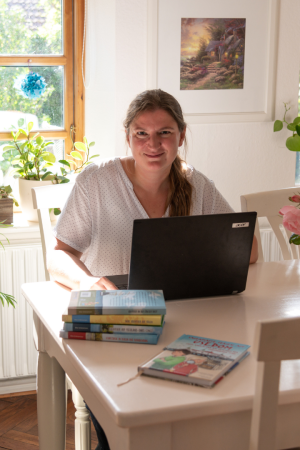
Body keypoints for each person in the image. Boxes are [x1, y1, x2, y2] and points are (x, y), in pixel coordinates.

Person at [47, 89, 258, 450]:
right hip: (117, 332)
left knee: (207, 421)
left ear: (182, 136)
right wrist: (85, 280)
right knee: (125, 430)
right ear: (128, 136)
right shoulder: (96, 183)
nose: (153, 144)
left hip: (185, 326)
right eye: (141, 133)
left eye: (165, 132)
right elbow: (58, 255)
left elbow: (250, 251)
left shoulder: (196, 183)